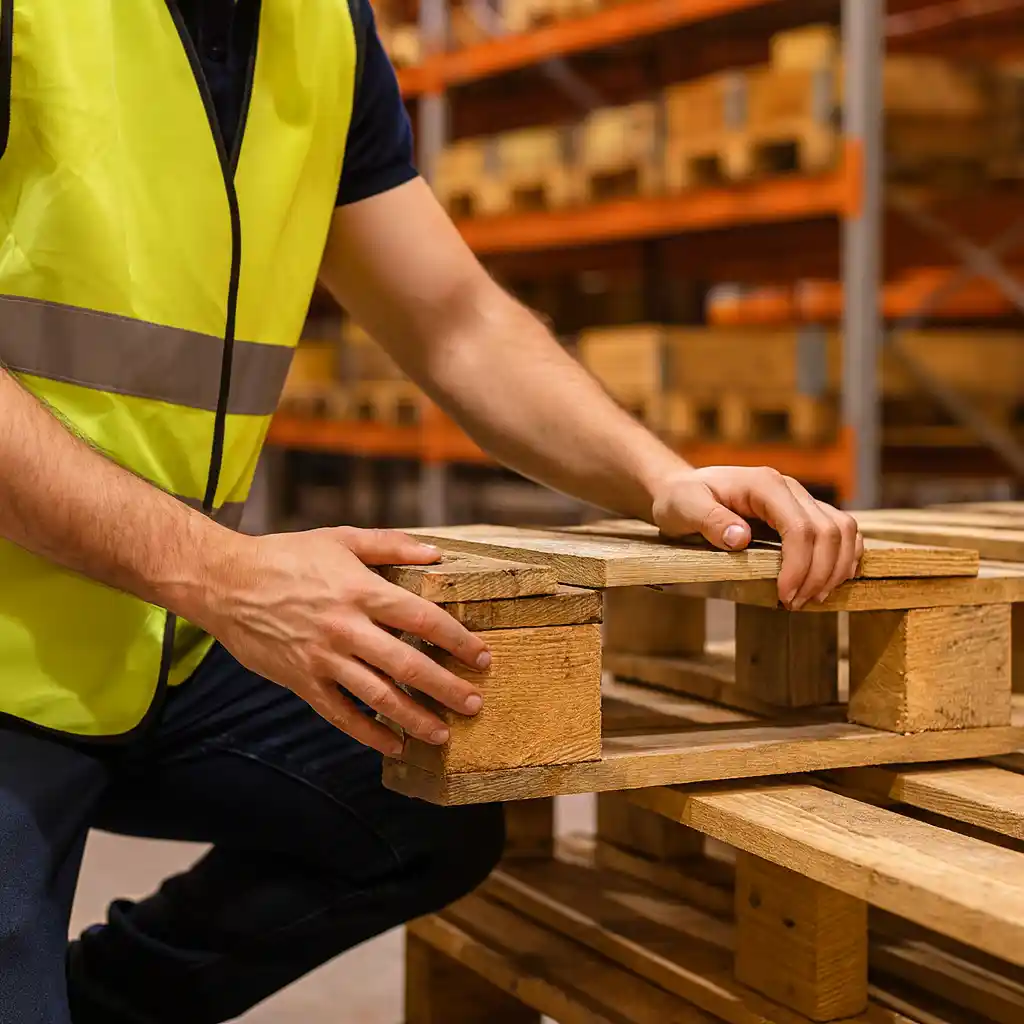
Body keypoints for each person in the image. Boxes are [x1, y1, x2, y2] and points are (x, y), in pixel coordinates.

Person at [0, 1, 862, 1021]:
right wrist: (228, 575)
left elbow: (451, 318)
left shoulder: (318, 26)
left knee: (428, 791)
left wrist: (658, 475)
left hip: (147, 635)